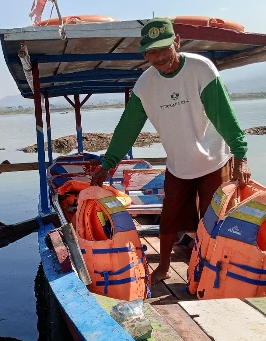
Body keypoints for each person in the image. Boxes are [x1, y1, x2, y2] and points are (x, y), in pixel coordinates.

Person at [90, 18, 251, 286]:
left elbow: (225, 116)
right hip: (179, 165)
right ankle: (163, 268)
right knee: (169, 218)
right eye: (152, 51)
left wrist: (240, 154)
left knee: (213, 221)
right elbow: (127, 128)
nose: (159, 56)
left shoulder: (201, 69)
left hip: (214, 160)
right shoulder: (145, 85)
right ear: (145, 54)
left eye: (164, 48)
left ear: (176, 42)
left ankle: (211, 271)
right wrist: (107, 164)